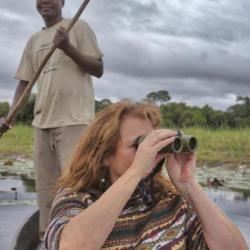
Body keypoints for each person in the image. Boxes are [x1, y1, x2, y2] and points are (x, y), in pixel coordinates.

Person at [44, 100, 248, 250]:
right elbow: (71, 246)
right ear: (104, 154)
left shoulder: (172, 203)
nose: (147, 153)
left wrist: (189, 185)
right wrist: (135, 172)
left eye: (152, 144)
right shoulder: (75, 199)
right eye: (138, 145)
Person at [0, 0, 103, 237]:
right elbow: (25, 83)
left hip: (74, 121)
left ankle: (79, 238)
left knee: (77, 187)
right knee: (45, 190)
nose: (45, 1)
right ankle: (49, 238)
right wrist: (9, 115)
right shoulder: (34, 41)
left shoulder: (79, 27)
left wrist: (68, 47)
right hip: (41, 124)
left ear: (63, 2)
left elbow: (98, 68)